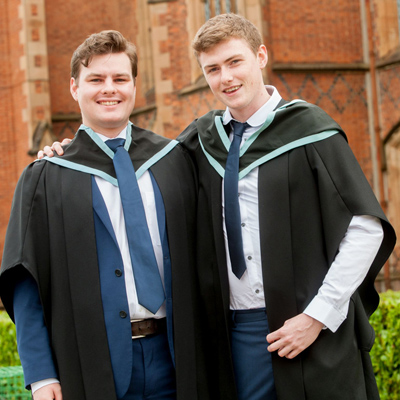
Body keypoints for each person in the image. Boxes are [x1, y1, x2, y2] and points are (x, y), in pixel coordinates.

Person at [38, 14, 396, 400]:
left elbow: (366, 229)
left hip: (311, 328)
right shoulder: (201, 142)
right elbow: (134, 164)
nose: (225, 78)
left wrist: (317, 315)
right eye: (212, 69)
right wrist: (67, 151)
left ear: (260, 56)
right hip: (233, 333)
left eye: (234, 62)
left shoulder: (309, 132)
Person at [0, 30, 206, 400]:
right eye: (96, 79)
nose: (108, 89)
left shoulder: (174, 161)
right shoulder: (46, 177)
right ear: (75, 88)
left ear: (134, 86)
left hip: (177, 357)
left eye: (119, 79)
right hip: (89, 361)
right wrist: (42, 374)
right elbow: (25, 281)